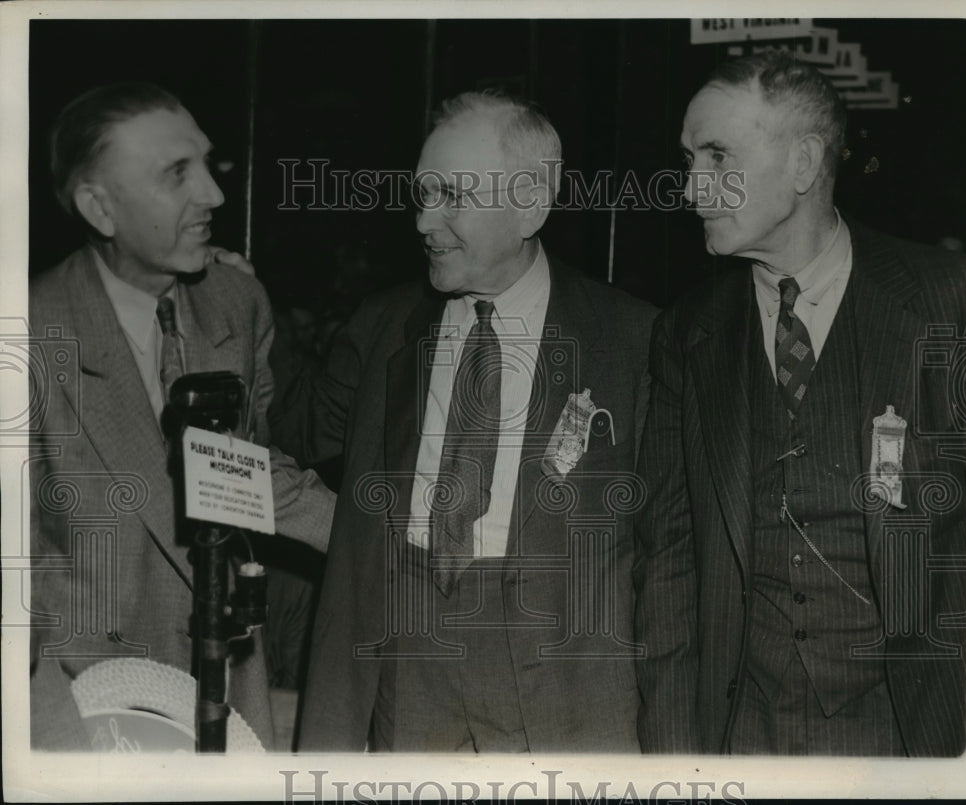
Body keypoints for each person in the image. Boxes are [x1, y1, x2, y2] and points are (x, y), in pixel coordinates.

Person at [273, 90, 658, 752]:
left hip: (563, 685)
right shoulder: (382, 326)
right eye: (423, 194)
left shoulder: (633, 340)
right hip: (407, 665)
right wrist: (224, 302)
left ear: (532, 203)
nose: (425, 220)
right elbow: (282, 430)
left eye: (453, 195)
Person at [634, 50, 966, 756]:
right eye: (689, 159)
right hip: (742, 729)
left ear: (803, 163)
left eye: (718, 158)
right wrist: (674, 756)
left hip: (912, 732)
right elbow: (667, 566)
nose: (692, 188)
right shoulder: (686, 334)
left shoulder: (953, 302)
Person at [29, 82, 335, 750]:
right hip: (84, 706)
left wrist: (375, 537)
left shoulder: (235, 301)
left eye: (207, 163)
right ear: (99, 208)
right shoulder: (27, 332)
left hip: (222, 692)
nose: (215, 195)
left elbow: (243, 472)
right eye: (176, 174)